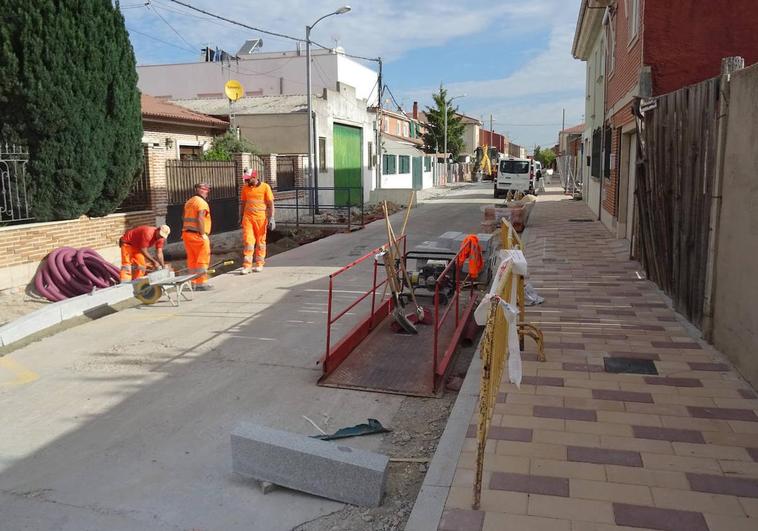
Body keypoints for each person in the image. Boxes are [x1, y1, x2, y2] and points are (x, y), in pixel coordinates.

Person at [239, 169, 275, 273]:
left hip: (261, 218)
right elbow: (243, 203)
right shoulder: (245, 188)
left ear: (254, 177)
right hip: (248, 218)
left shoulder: (265, 187)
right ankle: (247, 266)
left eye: (248, 179)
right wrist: (240, 216)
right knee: (248, 242)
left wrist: (272, 218)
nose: (246, 182)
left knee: (260, 242)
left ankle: (259, 264)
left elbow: (270, 204)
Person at [182, 182, 213, 290]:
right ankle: (201, 283)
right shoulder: (202, 203)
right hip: (198, 235)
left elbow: (184, 217)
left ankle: (193, 282)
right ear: (201, 190)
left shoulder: (189, 202)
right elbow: (200, 218)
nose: (207, 192)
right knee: (202, 259)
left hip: (187, 234)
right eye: (206, 190)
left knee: (192, 260)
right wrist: (203, 234)